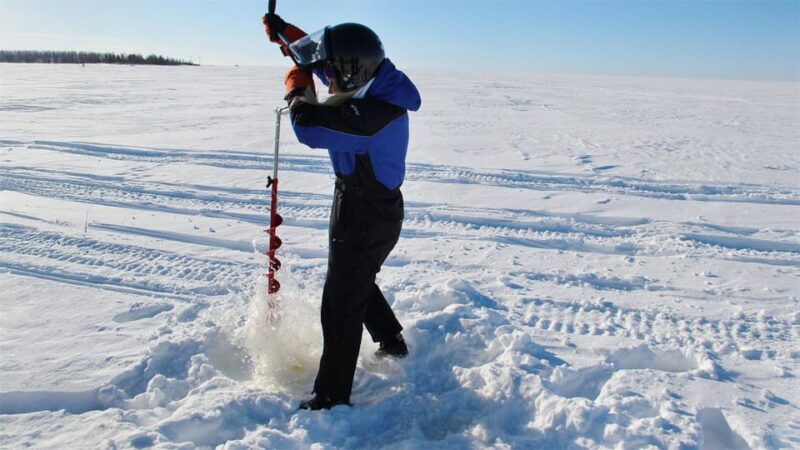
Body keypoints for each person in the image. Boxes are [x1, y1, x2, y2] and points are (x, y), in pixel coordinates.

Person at [263, 14, 421, 410]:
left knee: (339, 304)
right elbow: (317, 58)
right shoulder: (368, 77)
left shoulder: (376, 114)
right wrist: (285, 33)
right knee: (353, 280)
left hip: (368, 214)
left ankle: (332, 396)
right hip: (357, 204)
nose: (327, 80)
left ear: (353, 73)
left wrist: (298, 89)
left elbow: (309, 126)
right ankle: (391, 340)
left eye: (332, 75)